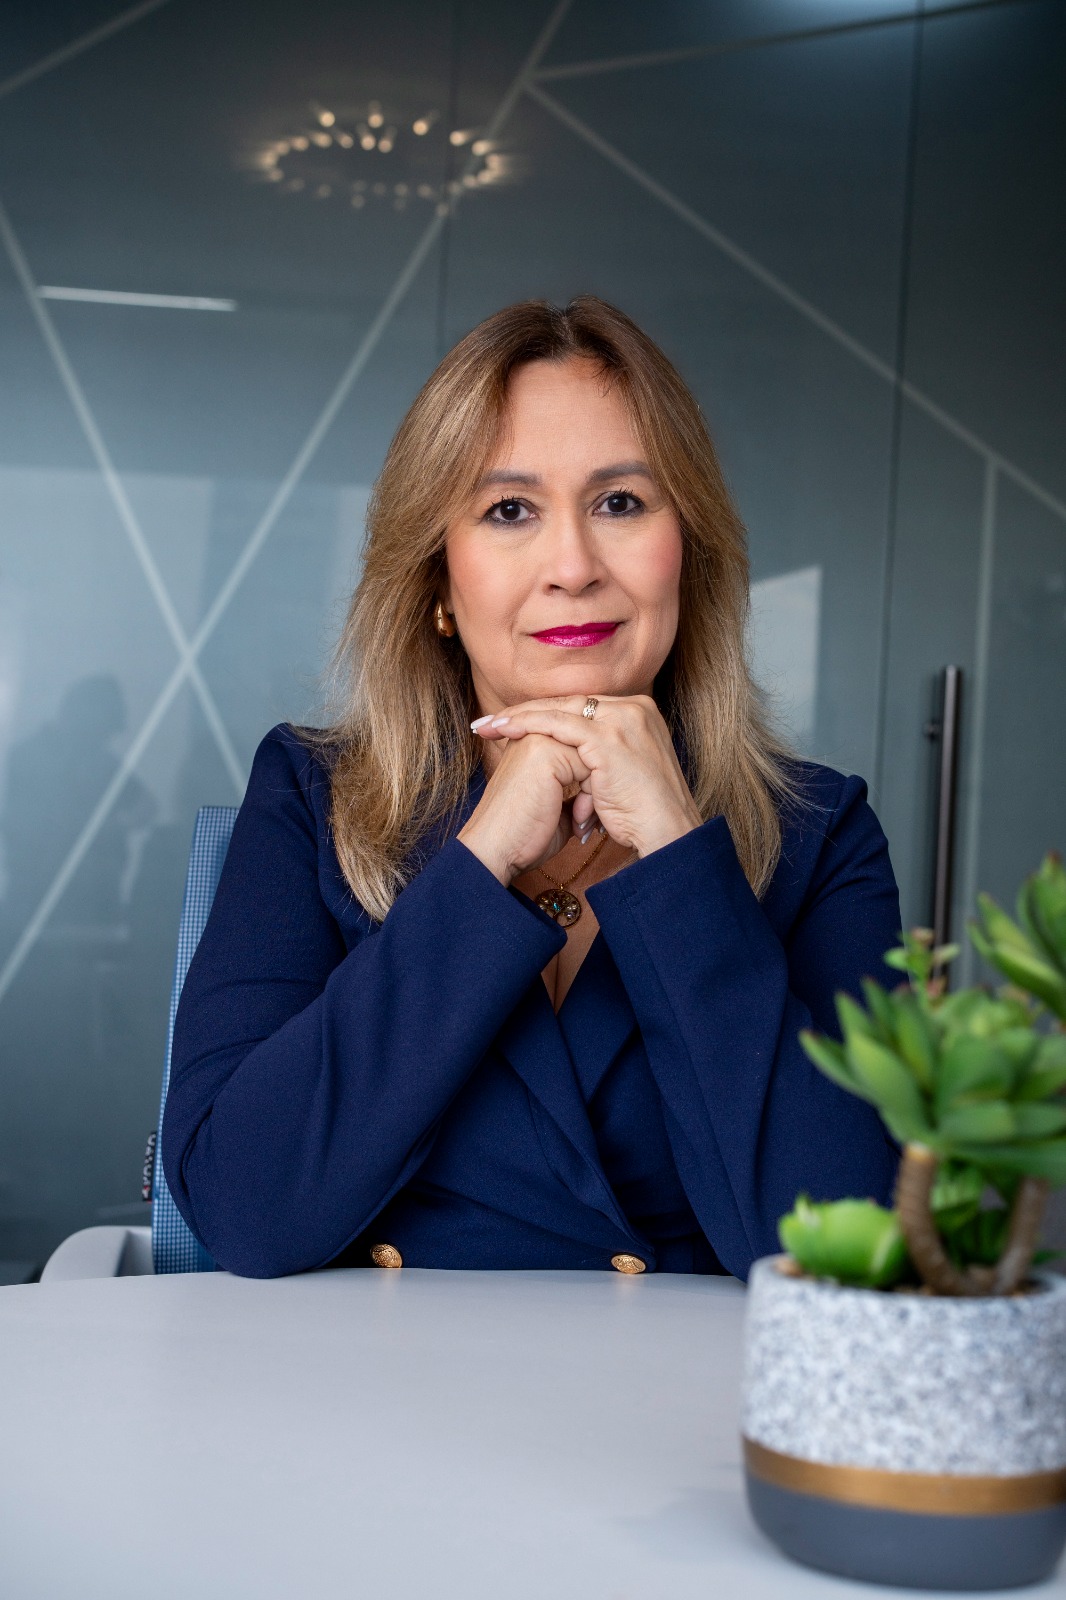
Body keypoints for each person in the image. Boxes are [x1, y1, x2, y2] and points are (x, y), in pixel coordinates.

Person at [163, 296, 900, 1280]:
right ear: (437, 582)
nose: (573, 566)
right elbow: (243, 1209)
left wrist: (681, 860)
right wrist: (480, 863)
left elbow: (852, 1250)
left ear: (688, 553)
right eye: (509, 510)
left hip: (675, 1376)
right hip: (373, 1370)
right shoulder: (310, 796)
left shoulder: (820, 832)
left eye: (621, 502)